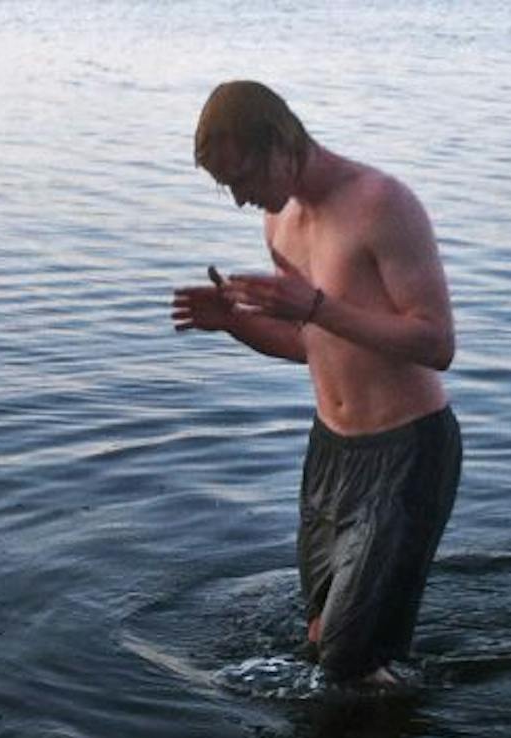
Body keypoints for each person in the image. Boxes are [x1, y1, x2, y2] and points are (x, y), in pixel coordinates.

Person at [172, 80, 460, 687]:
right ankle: (380, 731)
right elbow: (314, 347)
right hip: (331, 454)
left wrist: (318, 306)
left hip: (407, 451)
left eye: (243, 178)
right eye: (226, 187)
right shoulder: (281, 226)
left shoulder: (382, 203)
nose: (241, 199)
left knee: (347, 662)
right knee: (322, 642)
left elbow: (437, 345)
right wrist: (234, 325)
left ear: (279, 143)